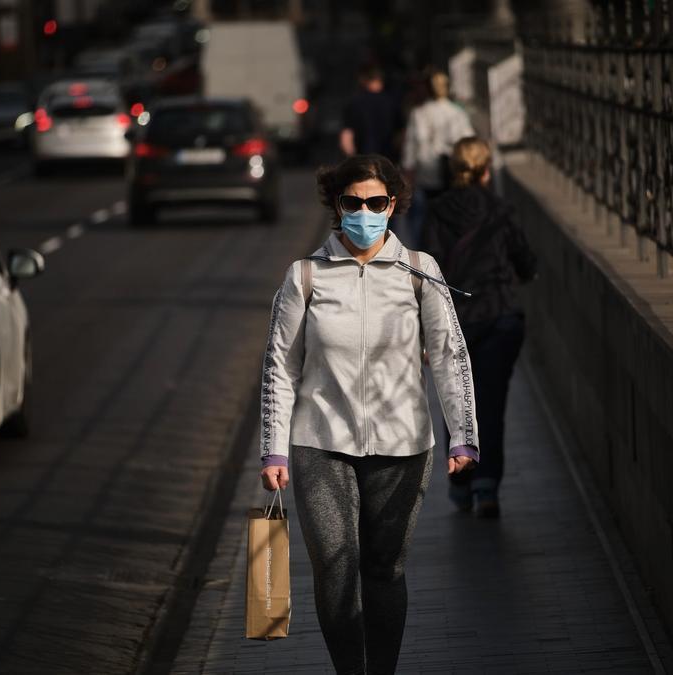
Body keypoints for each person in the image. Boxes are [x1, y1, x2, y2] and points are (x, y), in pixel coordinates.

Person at [259, 154, 478, 674]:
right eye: (352, 202)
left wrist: (462, 435)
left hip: (403, 446)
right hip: (320, 442)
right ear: (337, 206)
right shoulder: (305, 276)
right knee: (335, 570)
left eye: (375, 202)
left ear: (393, 205)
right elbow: (279, 367)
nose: (364, 211)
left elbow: (450, 355)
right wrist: (274, 447)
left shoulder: (421, 272)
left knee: (383, 569)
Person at [421, 137, 538, 518]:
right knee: (491, 402)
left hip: (455, 322)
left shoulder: (437, 211)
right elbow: (524, 260)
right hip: (500, 316)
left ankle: (461, 482)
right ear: (487, 170)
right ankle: (487, 486)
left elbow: (428, 270)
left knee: (455, 400)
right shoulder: (501, 209)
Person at [402, 70, 474, 201]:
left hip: (426, 172)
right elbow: (469, 143)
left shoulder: (418, 113)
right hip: (452, 171)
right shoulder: (457, 113)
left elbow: (410, 146)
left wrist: (408, 171)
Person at [339, 65, 403, 163]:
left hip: (363, 160)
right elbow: (400, 135)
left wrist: (351, 159)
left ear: (363, 80)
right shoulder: (392, 102)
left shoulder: (355, 103)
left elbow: (347, 136)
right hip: (387, 162)